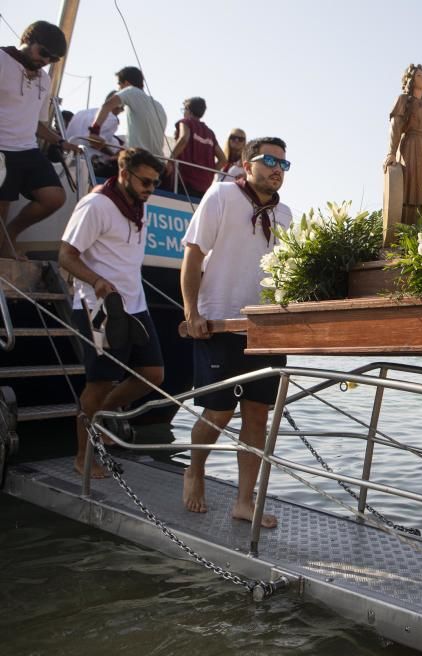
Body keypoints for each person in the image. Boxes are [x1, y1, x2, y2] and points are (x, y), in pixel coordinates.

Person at [180, 136, 292, 529]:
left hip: (266, 330)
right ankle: (194, 470)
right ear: (247, 164)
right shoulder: (222, 196)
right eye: (270, 160)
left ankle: (245, 501)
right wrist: (191, 311)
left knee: (258, 416)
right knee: (219, 411)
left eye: (284, 164)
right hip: (220, 321)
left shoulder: (286, 216)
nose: (278, 169)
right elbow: (193, 253)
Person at [58, 148, 165, 478]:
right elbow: (65, 255)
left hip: (135, 304)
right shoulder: (97, 205)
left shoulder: (138, 207)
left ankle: (100, 416)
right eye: (145, 181)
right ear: (124, 173)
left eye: (155, 183)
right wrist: (96, 280)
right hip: (99, 308)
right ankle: (82, 457)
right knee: (99, 383)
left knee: (154, 374)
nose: (150, 188)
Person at [0, 20, 79, 259]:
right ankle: (4, 255)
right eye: (43, 53)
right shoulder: (2, 60)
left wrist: (59, 141)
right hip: (1, 149)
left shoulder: (45, 80)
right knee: (1, 208)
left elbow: (37, 123)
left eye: (53, 59)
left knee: (54, 198)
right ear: (26, 39)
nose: (46, 61)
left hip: (27, 149)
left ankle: (10, 236)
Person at [383, 64, 422, 235]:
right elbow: (396, 126)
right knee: (410, 189)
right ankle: (405, 232)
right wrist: (391, 152)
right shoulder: (403, 100)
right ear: (411, 80)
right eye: (419, 76)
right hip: (411, 148)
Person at [89, 66, 167, 157]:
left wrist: (94, 132)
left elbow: (106, 106)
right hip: (158, 163)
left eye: (119, 84)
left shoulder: (130, 90)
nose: (118, 89)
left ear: (126, 83)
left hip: (137, 160)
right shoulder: (159, 106)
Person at [165, 96, 226, 198]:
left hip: (184, 181)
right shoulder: (209, 133)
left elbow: (184, 138)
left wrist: (170, 160)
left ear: (188, 109)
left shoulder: (186, 122)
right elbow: (223, 159)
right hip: (204, 186)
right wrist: (209, 173)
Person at [65, 91, 125, 178]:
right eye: (122, 109)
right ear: (119, 106)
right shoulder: (112, 118)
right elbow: (93, 142)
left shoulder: (81, 112)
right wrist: (113, 155)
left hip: (69, 160)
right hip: (89, 165)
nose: (121, 112)